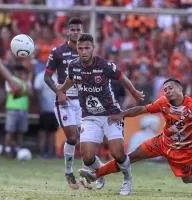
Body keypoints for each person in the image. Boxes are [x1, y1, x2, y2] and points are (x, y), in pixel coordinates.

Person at [57, 33, 145, 195]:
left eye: (87, 48)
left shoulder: (104, 65)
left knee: (118, 153)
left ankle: (127, 179)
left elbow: (122, 77)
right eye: (80, 48)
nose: (83, 51)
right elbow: (70, 79)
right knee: (87, 157)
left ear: (93, 48)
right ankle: (99, 174)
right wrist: (61, 90)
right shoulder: (73, 66)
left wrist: (134, 92)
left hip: (111, 114)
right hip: (89, 116)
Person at [79, 78, 192, 187]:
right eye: (165, 90)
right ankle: (96, 174)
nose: (167, 92)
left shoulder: (190, 106)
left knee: (187, 180)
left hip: (183, 150)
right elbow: (141, 109)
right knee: (130, 157)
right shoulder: (163, 102)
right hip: (162, 143)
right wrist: (122, 114)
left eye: (170, 88)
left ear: (180, 89)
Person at [44, 17, 91, 190]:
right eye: (73, 30)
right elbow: (46, 76)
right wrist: (59, 91)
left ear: (82, 31)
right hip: (64, 101)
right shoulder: (57, 52)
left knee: (87, 139)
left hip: (83, 100)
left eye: (79, 30)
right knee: (72, 137)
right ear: (67, 31)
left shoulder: (86, 52)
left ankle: (89, 172)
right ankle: (69, 171)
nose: (76, 33)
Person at [4, 64, 33, 159]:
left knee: (21, 132)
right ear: (15, 71)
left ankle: (19, 151)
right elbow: (15, 93)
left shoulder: (25, 82)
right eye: (18, 70)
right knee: (10, 131)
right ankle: (8, 150)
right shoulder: (10, 80)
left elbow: (30, 93)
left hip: (23, 109)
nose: (20, 73)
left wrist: (25, 82)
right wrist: (24, 90)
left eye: (22, 71)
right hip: (12, 109)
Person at [34, 70, 58, 158]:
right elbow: (37, 91)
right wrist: (40, 106)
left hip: (55, 109)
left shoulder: (58, 77)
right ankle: (42, 152)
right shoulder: (41, 76)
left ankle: (51, 152)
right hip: (44, 109)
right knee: (43, 132)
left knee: (53, 132)